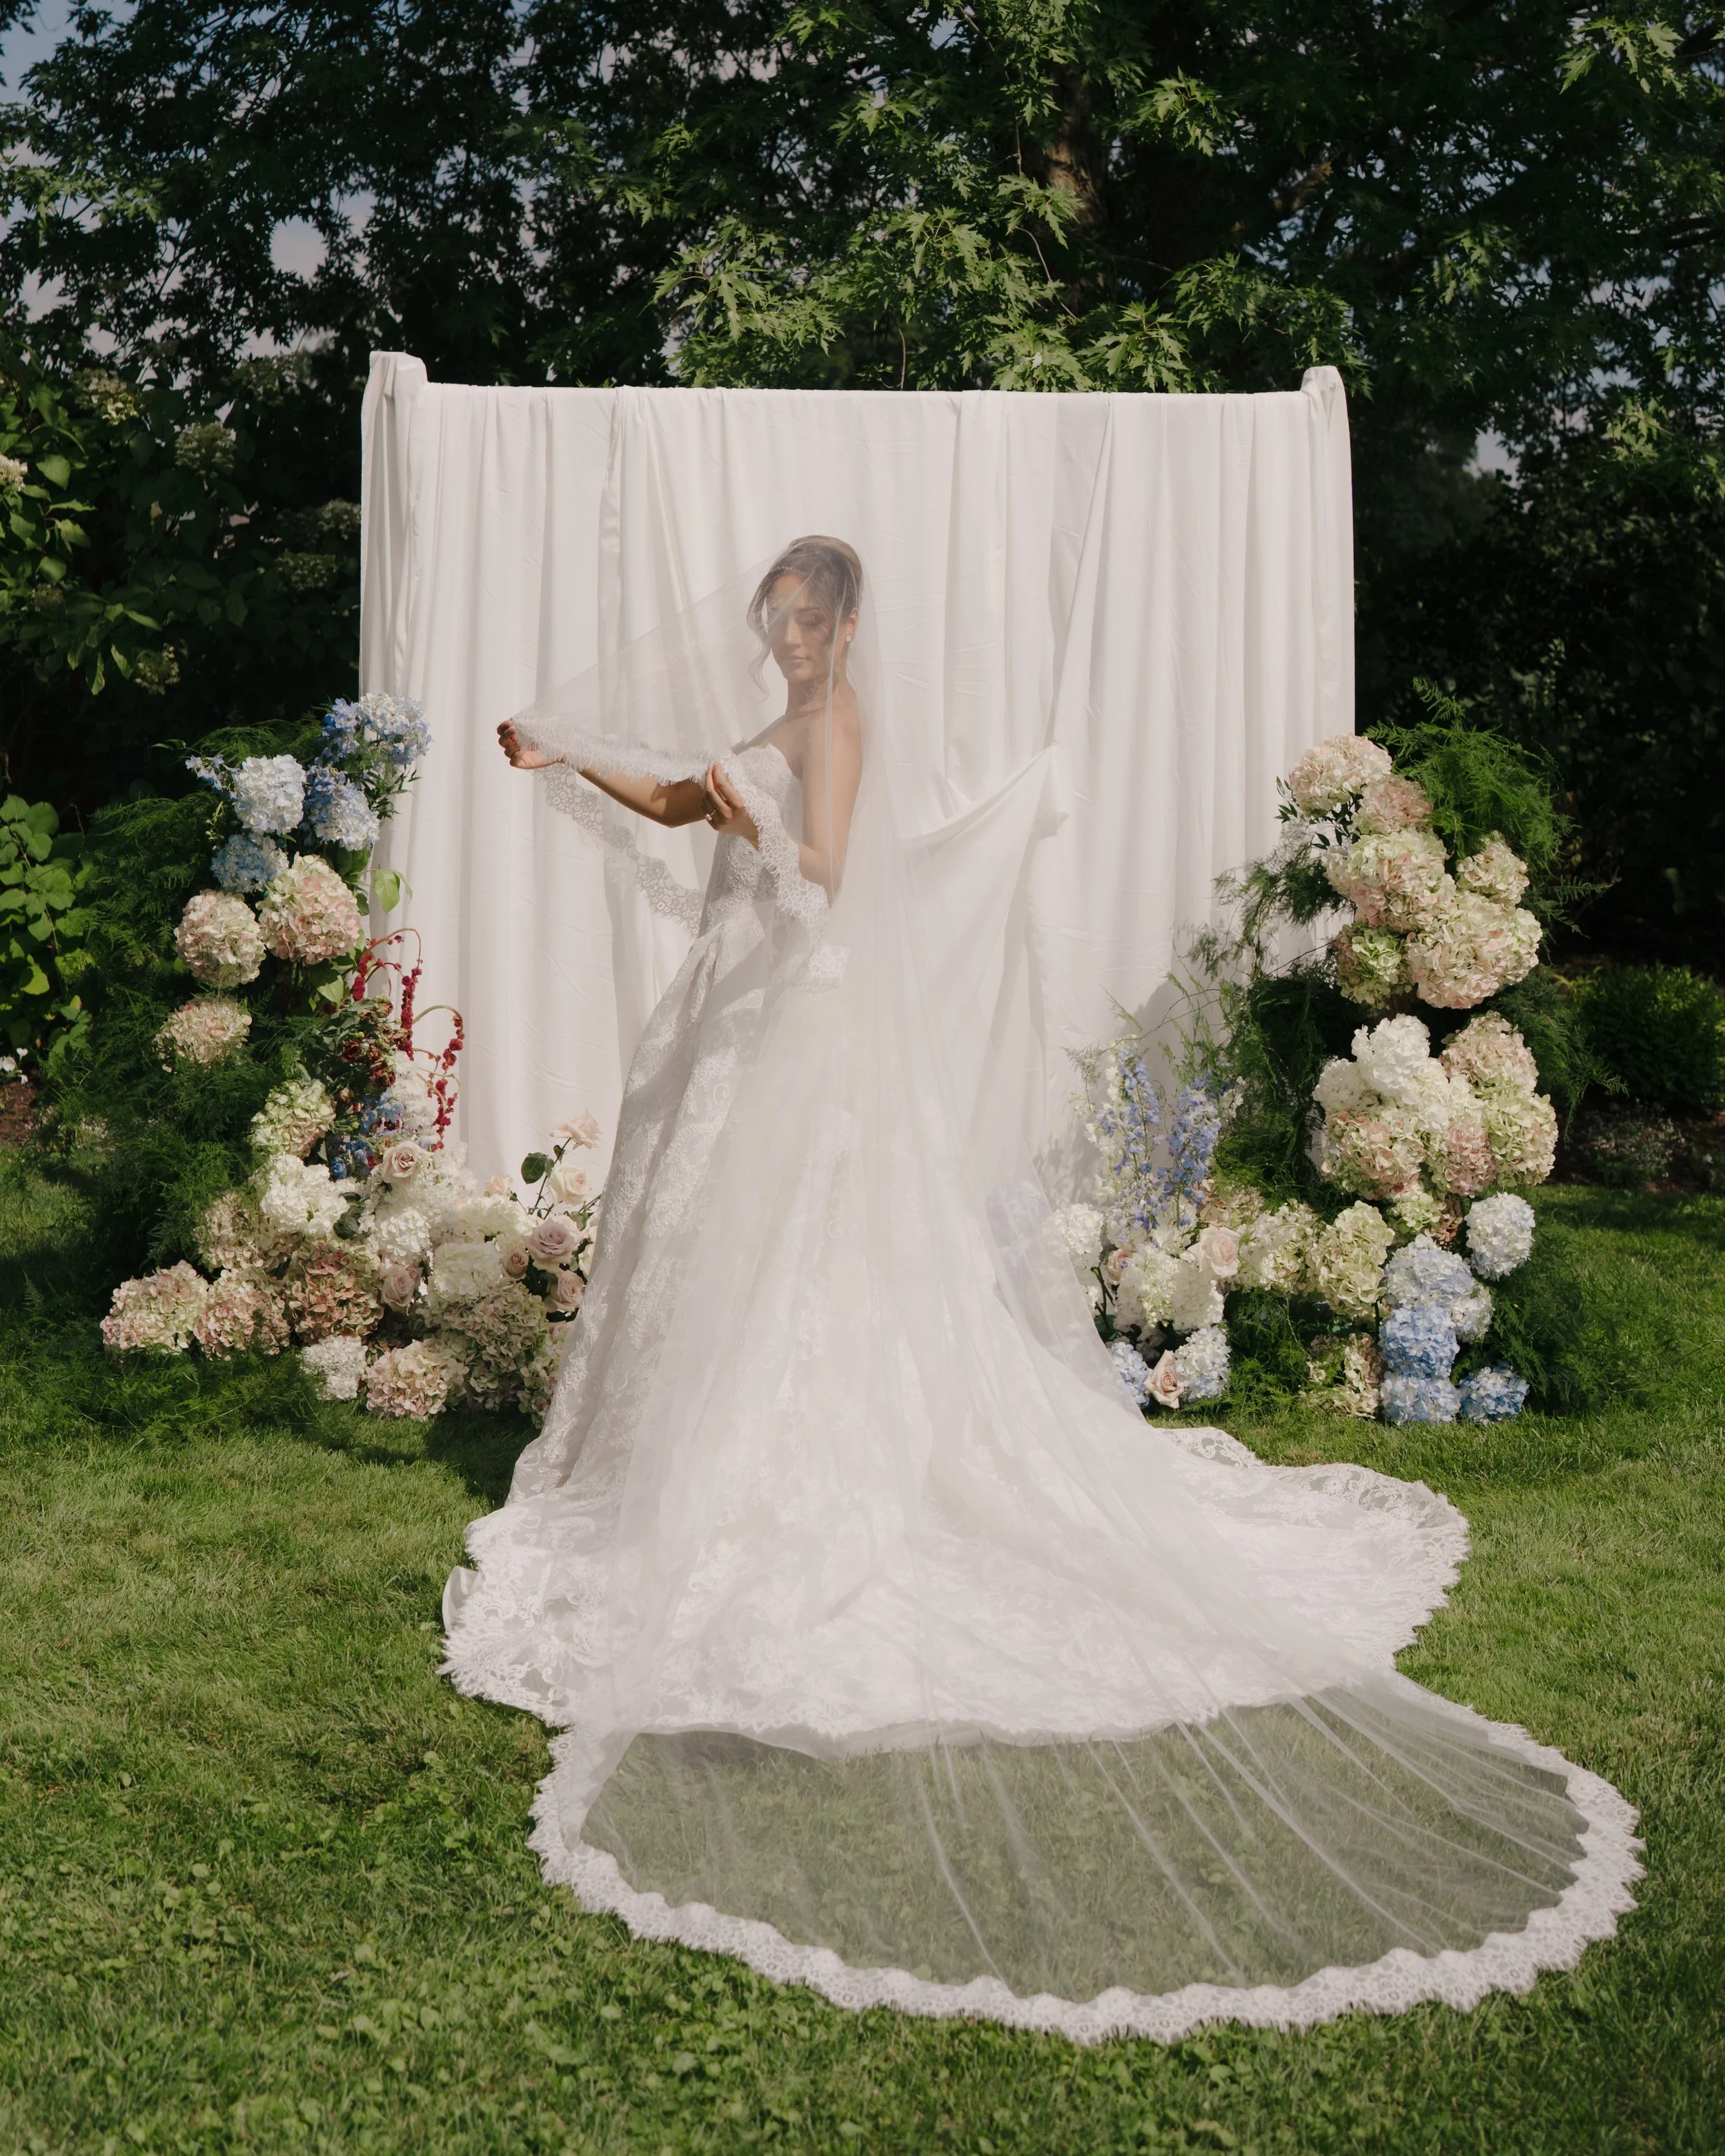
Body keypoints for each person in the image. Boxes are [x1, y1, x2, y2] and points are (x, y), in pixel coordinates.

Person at [444, 535, 1637, 2042]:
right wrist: (573, 755)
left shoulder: (845, 722)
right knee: (699, 1252)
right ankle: (672, 1460)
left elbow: (829, 873)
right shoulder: (773, 721)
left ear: (848, 623)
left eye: (805, 627)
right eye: (774, 631)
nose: (788, 652)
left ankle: (794, 1473)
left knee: (806, 1265)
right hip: (729, 1017)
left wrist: (755, 809)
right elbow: (690, 798)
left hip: (802, 1027)